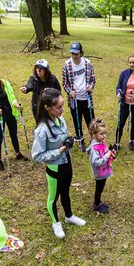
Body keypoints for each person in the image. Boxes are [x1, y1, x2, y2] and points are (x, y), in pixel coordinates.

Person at [31, 88, 86, 239]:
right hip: (55, 167)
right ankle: (56, 222)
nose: (62, 110)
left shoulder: (60, 119)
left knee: (66, 191)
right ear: (47, 107)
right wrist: (59, 151)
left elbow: (63, 138)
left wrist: (68, 141)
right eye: (59, 107)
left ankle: (69, 216)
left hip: (67, 163)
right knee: (53, 197)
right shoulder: (42, 130)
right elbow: (37, 155)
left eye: (63, 106)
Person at [62, 41, 96, 152]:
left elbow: (92, 79)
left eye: (76, 54)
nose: (74, 56)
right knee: (77, 122)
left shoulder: (88, 64)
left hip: (87, 99)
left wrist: (90, 87)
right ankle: (81, 141)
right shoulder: (67, 66)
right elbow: (64, 84)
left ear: (81, 53)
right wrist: (69, 92)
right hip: (74, 100)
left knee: (90, 121)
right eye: (72, 53)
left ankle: (94, 141)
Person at [86, 118, 115, 214]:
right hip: (99, 173)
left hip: (104, 171)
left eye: (105, 133)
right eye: (101, 134)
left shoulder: (101, 142)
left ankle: (98, 202)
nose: (104, 136)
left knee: (101, 187)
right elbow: (96, 162)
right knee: (99, 188)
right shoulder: (94, 148)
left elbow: (104, 152)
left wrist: (110, 154)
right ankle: (97, 204)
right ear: (94, 134)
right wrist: (107, 156)